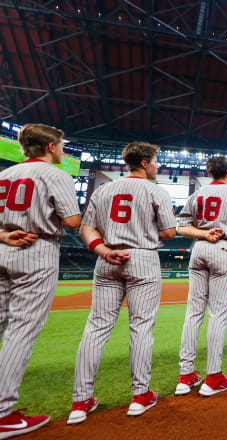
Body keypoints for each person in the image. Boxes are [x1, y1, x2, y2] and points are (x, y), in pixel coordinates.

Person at [69, 142, 176, 424]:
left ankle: (80, 402)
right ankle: (140, 396)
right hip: (142, 258)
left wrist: (104, 250)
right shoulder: (156, 190)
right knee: (141, 327)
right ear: (143, 163)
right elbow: (168, 233)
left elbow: (86, 228)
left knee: (96, 327)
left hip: (108, 257)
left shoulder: (104, 190)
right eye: (154, 161)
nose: (157, 165)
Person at [0, 124, 80, 437]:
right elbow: (72, 220)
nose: (62, 150)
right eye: (61, 145)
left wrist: (5, 233)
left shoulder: (4, 175)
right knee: (21, 330)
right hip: (37, 248)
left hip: (4, 245)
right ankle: (3, 413)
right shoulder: (56, 175)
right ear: (49, 147)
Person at [174, 156, 227, 397]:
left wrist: (204, 232)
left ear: (208, 172)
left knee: (193, 312)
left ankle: (186, 376)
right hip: (222, 249)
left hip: (198, 249)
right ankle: (213, 377)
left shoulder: (197, 194)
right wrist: (224, 226)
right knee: (217, 313)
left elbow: (180, 226)